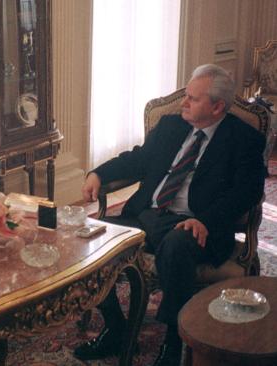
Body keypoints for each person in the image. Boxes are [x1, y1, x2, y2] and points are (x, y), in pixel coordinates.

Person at [74, 64, 267, 366]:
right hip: (146, 216)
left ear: (217, 107)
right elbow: (137, 159)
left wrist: (206, 220)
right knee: (89, 239)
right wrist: (98, 173)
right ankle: (116, 328)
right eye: (186, 96)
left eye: (192, 98)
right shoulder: (170, 126)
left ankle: (174, 342)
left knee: (176, 246)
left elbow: (247, 192)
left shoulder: (243, 139)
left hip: (193, 224)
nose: (183, 103)